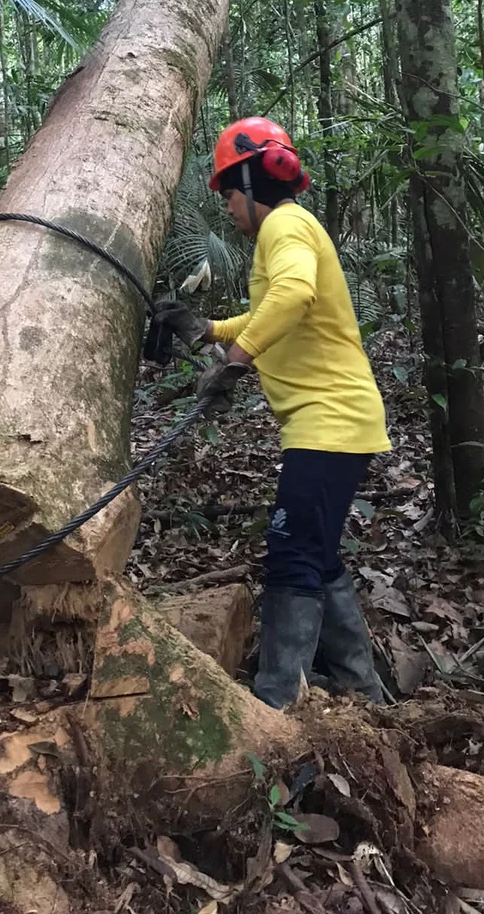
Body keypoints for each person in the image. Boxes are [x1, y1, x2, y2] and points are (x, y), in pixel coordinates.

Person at [154, 117, 391, 708]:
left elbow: (292, 298)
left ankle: (276, 702)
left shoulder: (284, 226)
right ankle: (363, 689)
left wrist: (233, 362)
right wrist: (206, 328)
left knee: (290, 556)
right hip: (337, 421)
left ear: (254, 185)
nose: (229, 209)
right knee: (317, 552)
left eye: (230, 194)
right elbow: (273, 313)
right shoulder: (289, 230)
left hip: (328, 421)